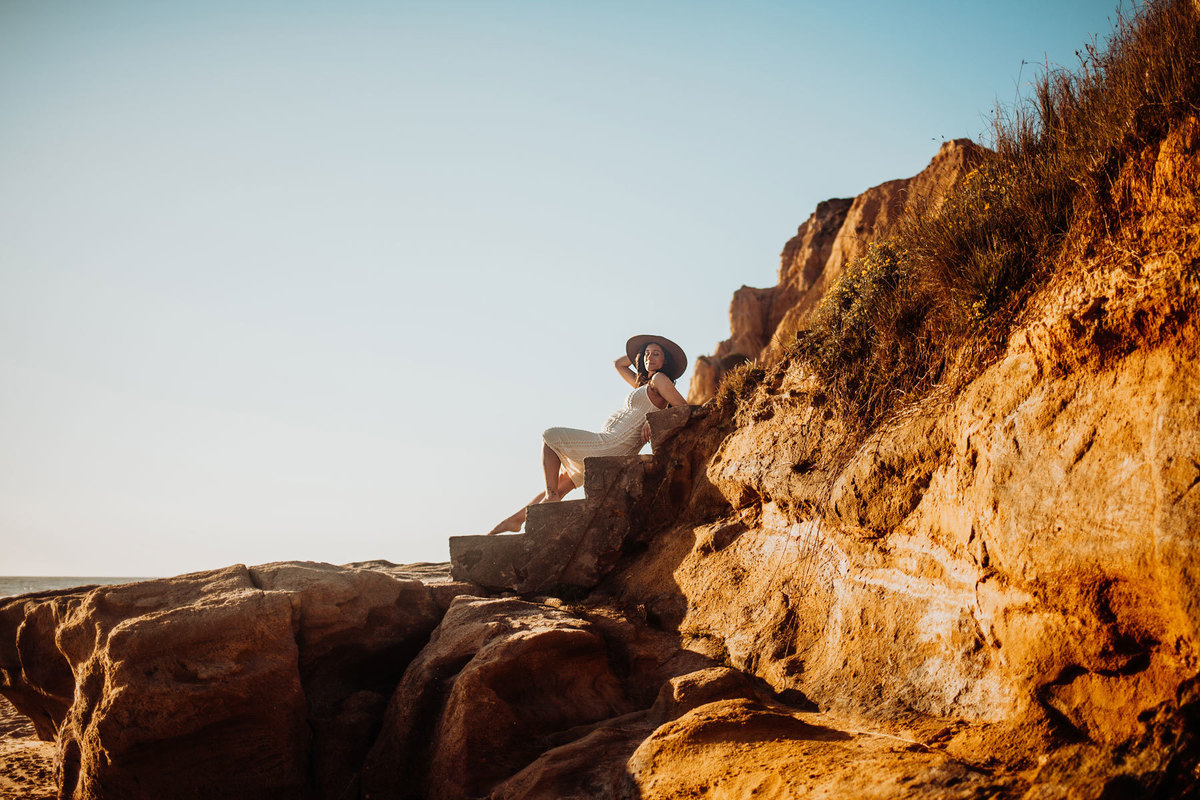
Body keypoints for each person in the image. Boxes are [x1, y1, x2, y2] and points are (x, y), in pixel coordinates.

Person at [488, 334, 688, 534]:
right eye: (646, 354)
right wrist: (638, 353)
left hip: (611, 444)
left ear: (665, 361)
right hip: (609, 443)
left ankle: (551, 497)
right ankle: (516, 520)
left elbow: (683, 407)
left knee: (550, 437)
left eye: (656, 354)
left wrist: (652, 420)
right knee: (562, 482)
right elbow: (618, 364)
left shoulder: (659, 379)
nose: (649, 357)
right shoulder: (643, 384)